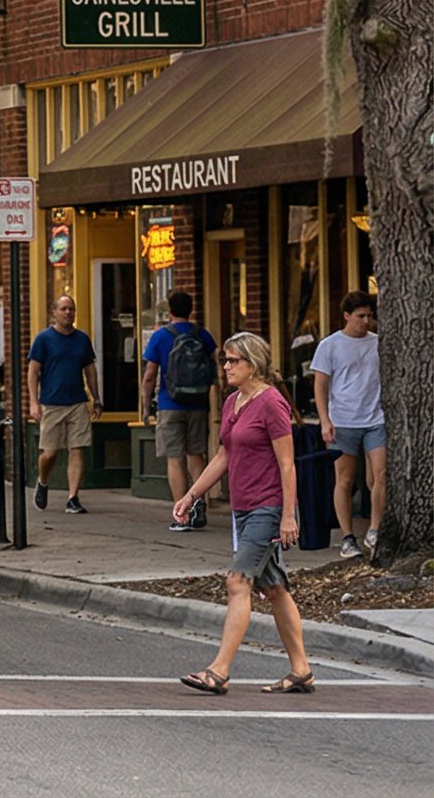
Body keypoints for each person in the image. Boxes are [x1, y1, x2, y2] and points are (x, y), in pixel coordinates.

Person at [172, 331, 315, 695]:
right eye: (225, 360)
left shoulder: (272, 403)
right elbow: (224, 456)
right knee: (274, 587)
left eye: (233, 360)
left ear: (254, 363)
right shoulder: (234, 402)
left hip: (268, 507)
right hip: (243, 506)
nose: (226, 367)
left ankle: (219, 670)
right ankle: (301, 670)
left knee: (238, 581)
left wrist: (287, 516)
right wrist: (192, 495)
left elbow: (287, 465)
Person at [142, 290, 221, 533]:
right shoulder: (203, 336)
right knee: (196, 455)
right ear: (191, 310)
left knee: (174, 458)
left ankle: (181, 514)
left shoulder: (160, 337)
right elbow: (216, 372)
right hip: (198, 404)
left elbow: (149, 377)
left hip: (170, 404)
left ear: (171, 311)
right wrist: (217, 403)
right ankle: (198, 505)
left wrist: (146, 407)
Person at [312, 293, 384, 560]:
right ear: (347, 316)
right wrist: (325, 420)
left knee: (381, 474)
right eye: (360, 316)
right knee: (344, 479)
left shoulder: (378, 343)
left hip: (376, 418)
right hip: (342, 420)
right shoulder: (330, 345)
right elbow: (320, 384)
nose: (366, 321)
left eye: (369, 316)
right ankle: (347, 536)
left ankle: (375, 528)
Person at [27, 293, 100, 515]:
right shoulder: (44, 339)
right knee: (50, 452)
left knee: (76, 449)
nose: (68, 313)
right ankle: (43, 480)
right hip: (51, 403)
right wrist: (33, 401)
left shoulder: (82, 339)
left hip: (77, 401)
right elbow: (33, 371)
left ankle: (73, 497)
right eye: (64, 309)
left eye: (71, 309)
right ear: (54, 312)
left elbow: (90, 370)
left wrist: (95, 399)